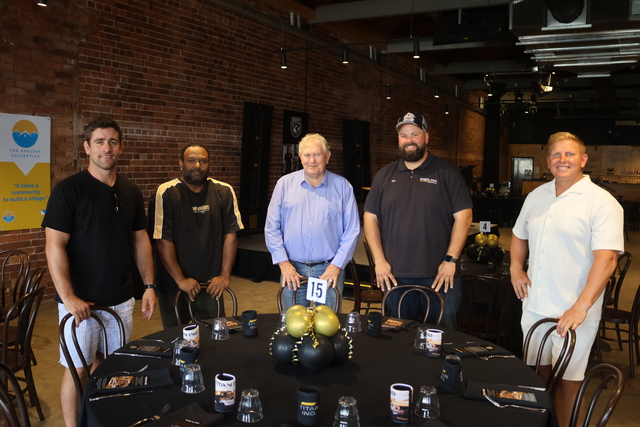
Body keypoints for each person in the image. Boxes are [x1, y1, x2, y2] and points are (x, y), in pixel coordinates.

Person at [43, 117, 157, 427]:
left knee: (111, 365)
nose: (106, 148)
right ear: (87, 147)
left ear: (121, 147)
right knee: (78, 369)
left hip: (121, 299)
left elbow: (140, 240)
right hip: (81, 302)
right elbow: (54, 246)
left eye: (112, 142)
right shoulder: (69, 190)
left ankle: (103, 419)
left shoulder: (131, 190)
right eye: (99, 142)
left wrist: (149, 286)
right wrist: (68, 297)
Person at [510, 131, 623, 427]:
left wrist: (581, 307)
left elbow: (607, 260)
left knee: (568, 382)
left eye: (569, 154)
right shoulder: (536, 196)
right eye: (556, 155)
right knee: (536, 375)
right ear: (548, 161)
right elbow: (519, 235)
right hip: (534, 305)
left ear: (583, 160)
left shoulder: (601, 202)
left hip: (573, 311)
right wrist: (516, 269)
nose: (563, 160)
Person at [363, 112, 472, 328]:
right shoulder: (384, 175)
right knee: (399, 336)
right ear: (398, 139)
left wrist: (450, 261)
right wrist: (379, 261)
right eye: (404, 136)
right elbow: (370, 218)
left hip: (440, 275)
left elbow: (464, 217)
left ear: (426, 137)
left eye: (415, 134)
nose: (409, 140)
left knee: (441, 335)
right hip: (395, 275)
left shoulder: (447, 173)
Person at [149, 143, 243, 329]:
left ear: (209, 164)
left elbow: (230, 235)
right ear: (181, 163)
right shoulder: (166, 192)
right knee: (176, 337)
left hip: (211, 285)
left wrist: (224, 275)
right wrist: (180, 280)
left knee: (215, 335)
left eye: (203, 161)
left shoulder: (224, 191)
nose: (197, 166)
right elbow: (162, 240)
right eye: (191, 161)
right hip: (173, 284)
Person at [265, 133, 360, 311]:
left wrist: (336, 266)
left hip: (328, 271)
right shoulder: (284, 185)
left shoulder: (343, 187)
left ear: (327, 156)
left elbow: (352, 231)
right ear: (300, 157)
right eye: (307, 155)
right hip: (293, 271)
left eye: (317, 154)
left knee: (327, 323)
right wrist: (284, 264)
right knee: (294, 322)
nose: (312, 160)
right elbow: (271, 228)